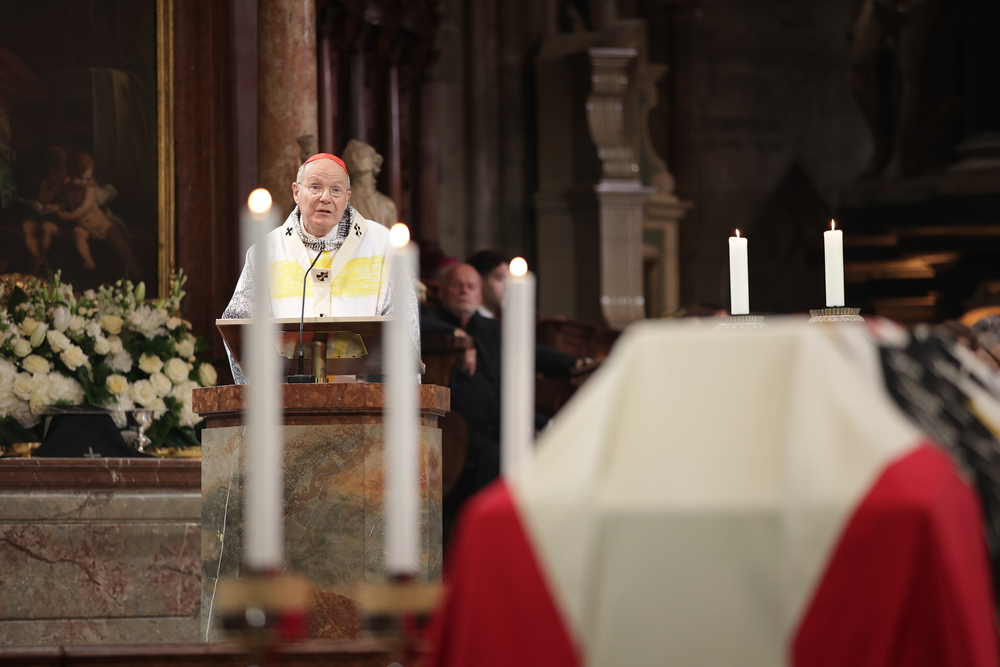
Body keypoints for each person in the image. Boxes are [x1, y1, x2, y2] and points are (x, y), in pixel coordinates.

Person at [222, 152, 419, 383]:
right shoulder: (266, 252)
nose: (326, 197)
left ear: (347, 197)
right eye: (315, 187)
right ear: (296, 192)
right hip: (287, 399)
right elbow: (241, 330)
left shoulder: (382, 246)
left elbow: (404, 331)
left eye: (336, 190)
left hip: (364, 398)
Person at [420, 263, 580, 536]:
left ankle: (541, 532)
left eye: (471, 286)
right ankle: (486, 534)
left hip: (500, 420)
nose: (464, 291)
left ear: (479, 295)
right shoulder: (430, 317)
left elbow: (524, 359)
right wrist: (456, 335)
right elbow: (414, 322)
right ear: (443, 292)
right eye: (457, 285)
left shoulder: (489, 328)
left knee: (554, 445)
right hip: (456, 422)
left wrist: (576, 364)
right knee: (497, 458)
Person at [466, 249, 508, 319]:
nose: (506, 286)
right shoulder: (469, 320)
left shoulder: (500, 318)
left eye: (509, 280)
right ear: (478, 281)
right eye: (500, 279)